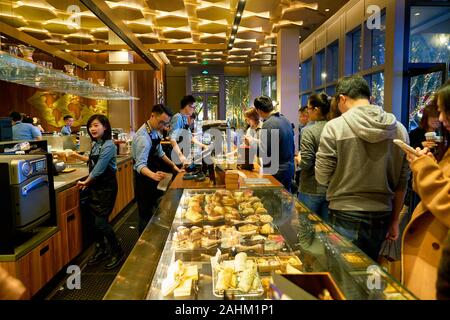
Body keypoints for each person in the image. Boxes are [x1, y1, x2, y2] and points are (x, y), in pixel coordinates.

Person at [315, 75, 410, 261]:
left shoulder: (335, 127)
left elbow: (322, 176)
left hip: (344, 213)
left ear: (342, 98)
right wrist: (395, 221)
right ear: (369, 97)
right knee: (371, 276)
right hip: (383, 214)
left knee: (343, 274)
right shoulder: (399, 130)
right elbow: (402, 182)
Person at [403, 81, 450, 300]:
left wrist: (425, 168)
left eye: (444, 111)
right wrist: (425, 166)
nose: (440, 119)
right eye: (438, 113)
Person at [67, 115, 124, 270]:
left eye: (96, 125)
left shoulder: (109, 145)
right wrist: (75, 155)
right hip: (95, 186)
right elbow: (91, 161)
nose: (92, 128)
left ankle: (118, 251)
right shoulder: (96, 144)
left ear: (105, 127)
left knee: (101, 222)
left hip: (106, 188)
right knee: (94, 222)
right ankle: (102, 249)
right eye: (90, 126)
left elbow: (99, 168)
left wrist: (87, 181)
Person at [132, 104, 184, 234]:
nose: (163, 126)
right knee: (145, 215)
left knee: (155, 210)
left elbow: (159, 153)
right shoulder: (143, 137)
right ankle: (143, 247)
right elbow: (139, 165)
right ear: (152, 116)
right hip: (144, 181)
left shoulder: (154, 132)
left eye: (165, 123)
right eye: (161, 122)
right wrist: (153, 176)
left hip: (153, 176)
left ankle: (154, 238)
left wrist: (174, 166)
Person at [298, 93, 331, 222]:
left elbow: (306, 163)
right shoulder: (336, 127)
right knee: (326, 231)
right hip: (330, 189)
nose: (307, 111)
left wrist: (298, 159)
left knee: (306, 229)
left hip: (311, 187)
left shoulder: (309, 131)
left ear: (316, 109)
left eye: (309, 108)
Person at [253, 96, 295, 192]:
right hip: (289, 167)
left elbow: (263, 152)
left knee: (276, 201)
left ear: (258, 110)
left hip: (277, 171)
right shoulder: (285, 119)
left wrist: (251, 143)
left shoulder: (268, 124)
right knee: (286, 199)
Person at [169, 95, 207, 165]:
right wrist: (180, 156)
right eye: (193, 107)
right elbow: (172, 139)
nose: (194, 109)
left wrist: (203, 145)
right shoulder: (177, 117)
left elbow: (190, 137)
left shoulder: (184, 118)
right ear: (187, 106)